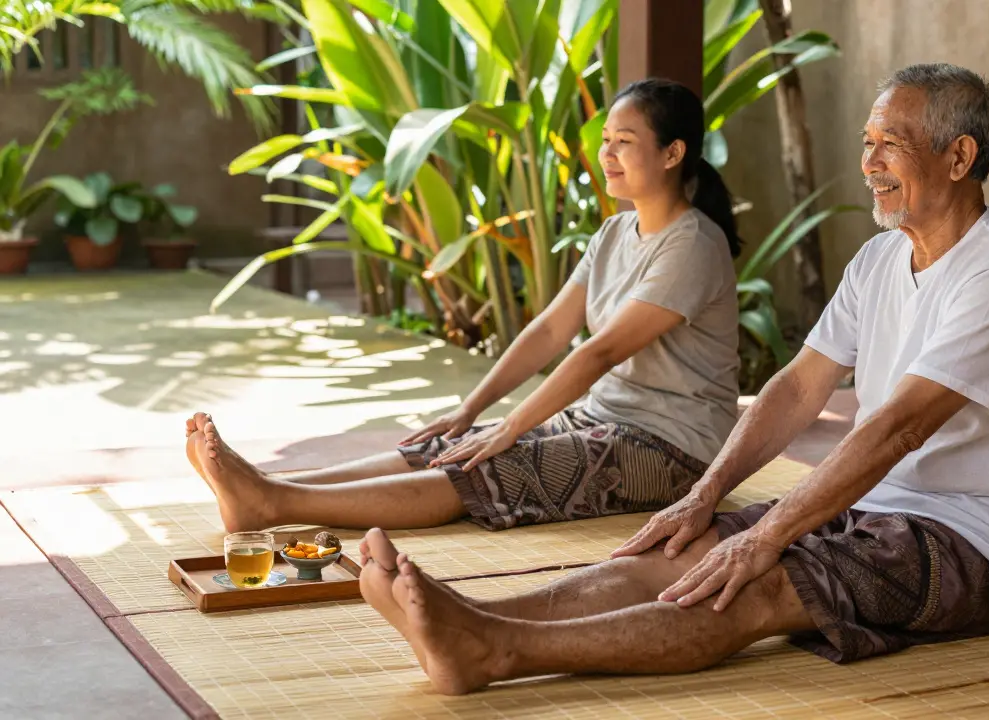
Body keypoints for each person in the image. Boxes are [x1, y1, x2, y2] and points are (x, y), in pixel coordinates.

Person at [355, 62, 989, 695]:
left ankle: (495, 651)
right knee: (675, 549)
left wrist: (768, 535)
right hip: (870, 503)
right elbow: (796, 388)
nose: (869, 163)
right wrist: (704, 495)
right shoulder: (879, 260)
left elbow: (896, 429)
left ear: (959, 156)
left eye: (890, 144)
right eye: (867, 142)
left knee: (751, 585)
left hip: (971, 539)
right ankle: (470, 618)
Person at [183, 78, 743, 534]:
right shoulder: (615, 232)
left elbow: (600, 353)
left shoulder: (693, 245)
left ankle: (272, 504)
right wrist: (471, 410)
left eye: (624, 141)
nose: (607, 154)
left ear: (672, 153)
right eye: (606, 140)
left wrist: (511, 428)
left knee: (489, 464)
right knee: (450, 445)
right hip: (601, 419)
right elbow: (551, 330)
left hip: (672, 448)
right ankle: (270, 485)